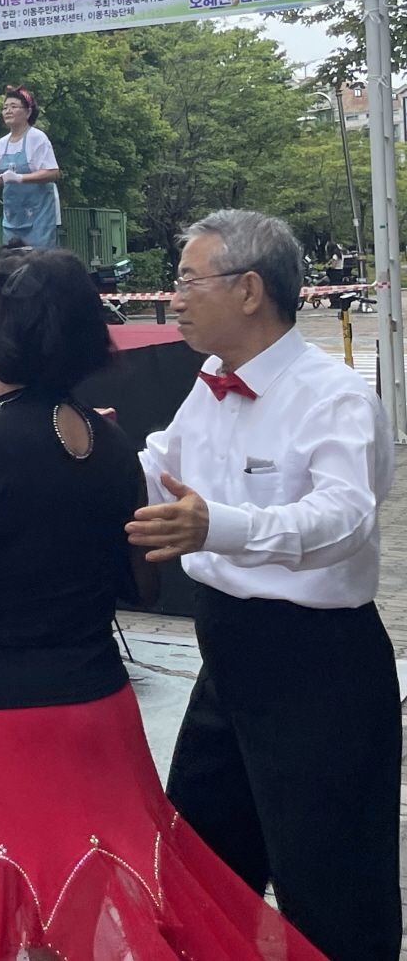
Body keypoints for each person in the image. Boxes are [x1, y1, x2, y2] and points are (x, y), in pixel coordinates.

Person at [0, 242, 330, 961]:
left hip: (7, 712)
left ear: (0, 333)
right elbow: (142, 584)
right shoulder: (108, 442)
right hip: (102, 704)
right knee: (115, 883)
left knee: (7, 884)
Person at [126, 210, 396, 961]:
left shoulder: (334, 396)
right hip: (231, 654)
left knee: (331, 883)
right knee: (202, 858)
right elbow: (156, 464)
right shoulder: (210, 379)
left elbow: (344, 518)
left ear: (249, 290)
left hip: (321, 667)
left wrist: (221, 527)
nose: (174, 298)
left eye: (187, 281)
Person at [0, 86, 60, 251]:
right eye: (5, 107)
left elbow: (52, 172)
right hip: (12, 217)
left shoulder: (37, 138)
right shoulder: (2, 143)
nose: (8, 111)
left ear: (28, 112)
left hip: (39, 216)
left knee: (38, 263)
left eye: (13, 106)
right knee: (12, 261)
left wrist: (21, 178)